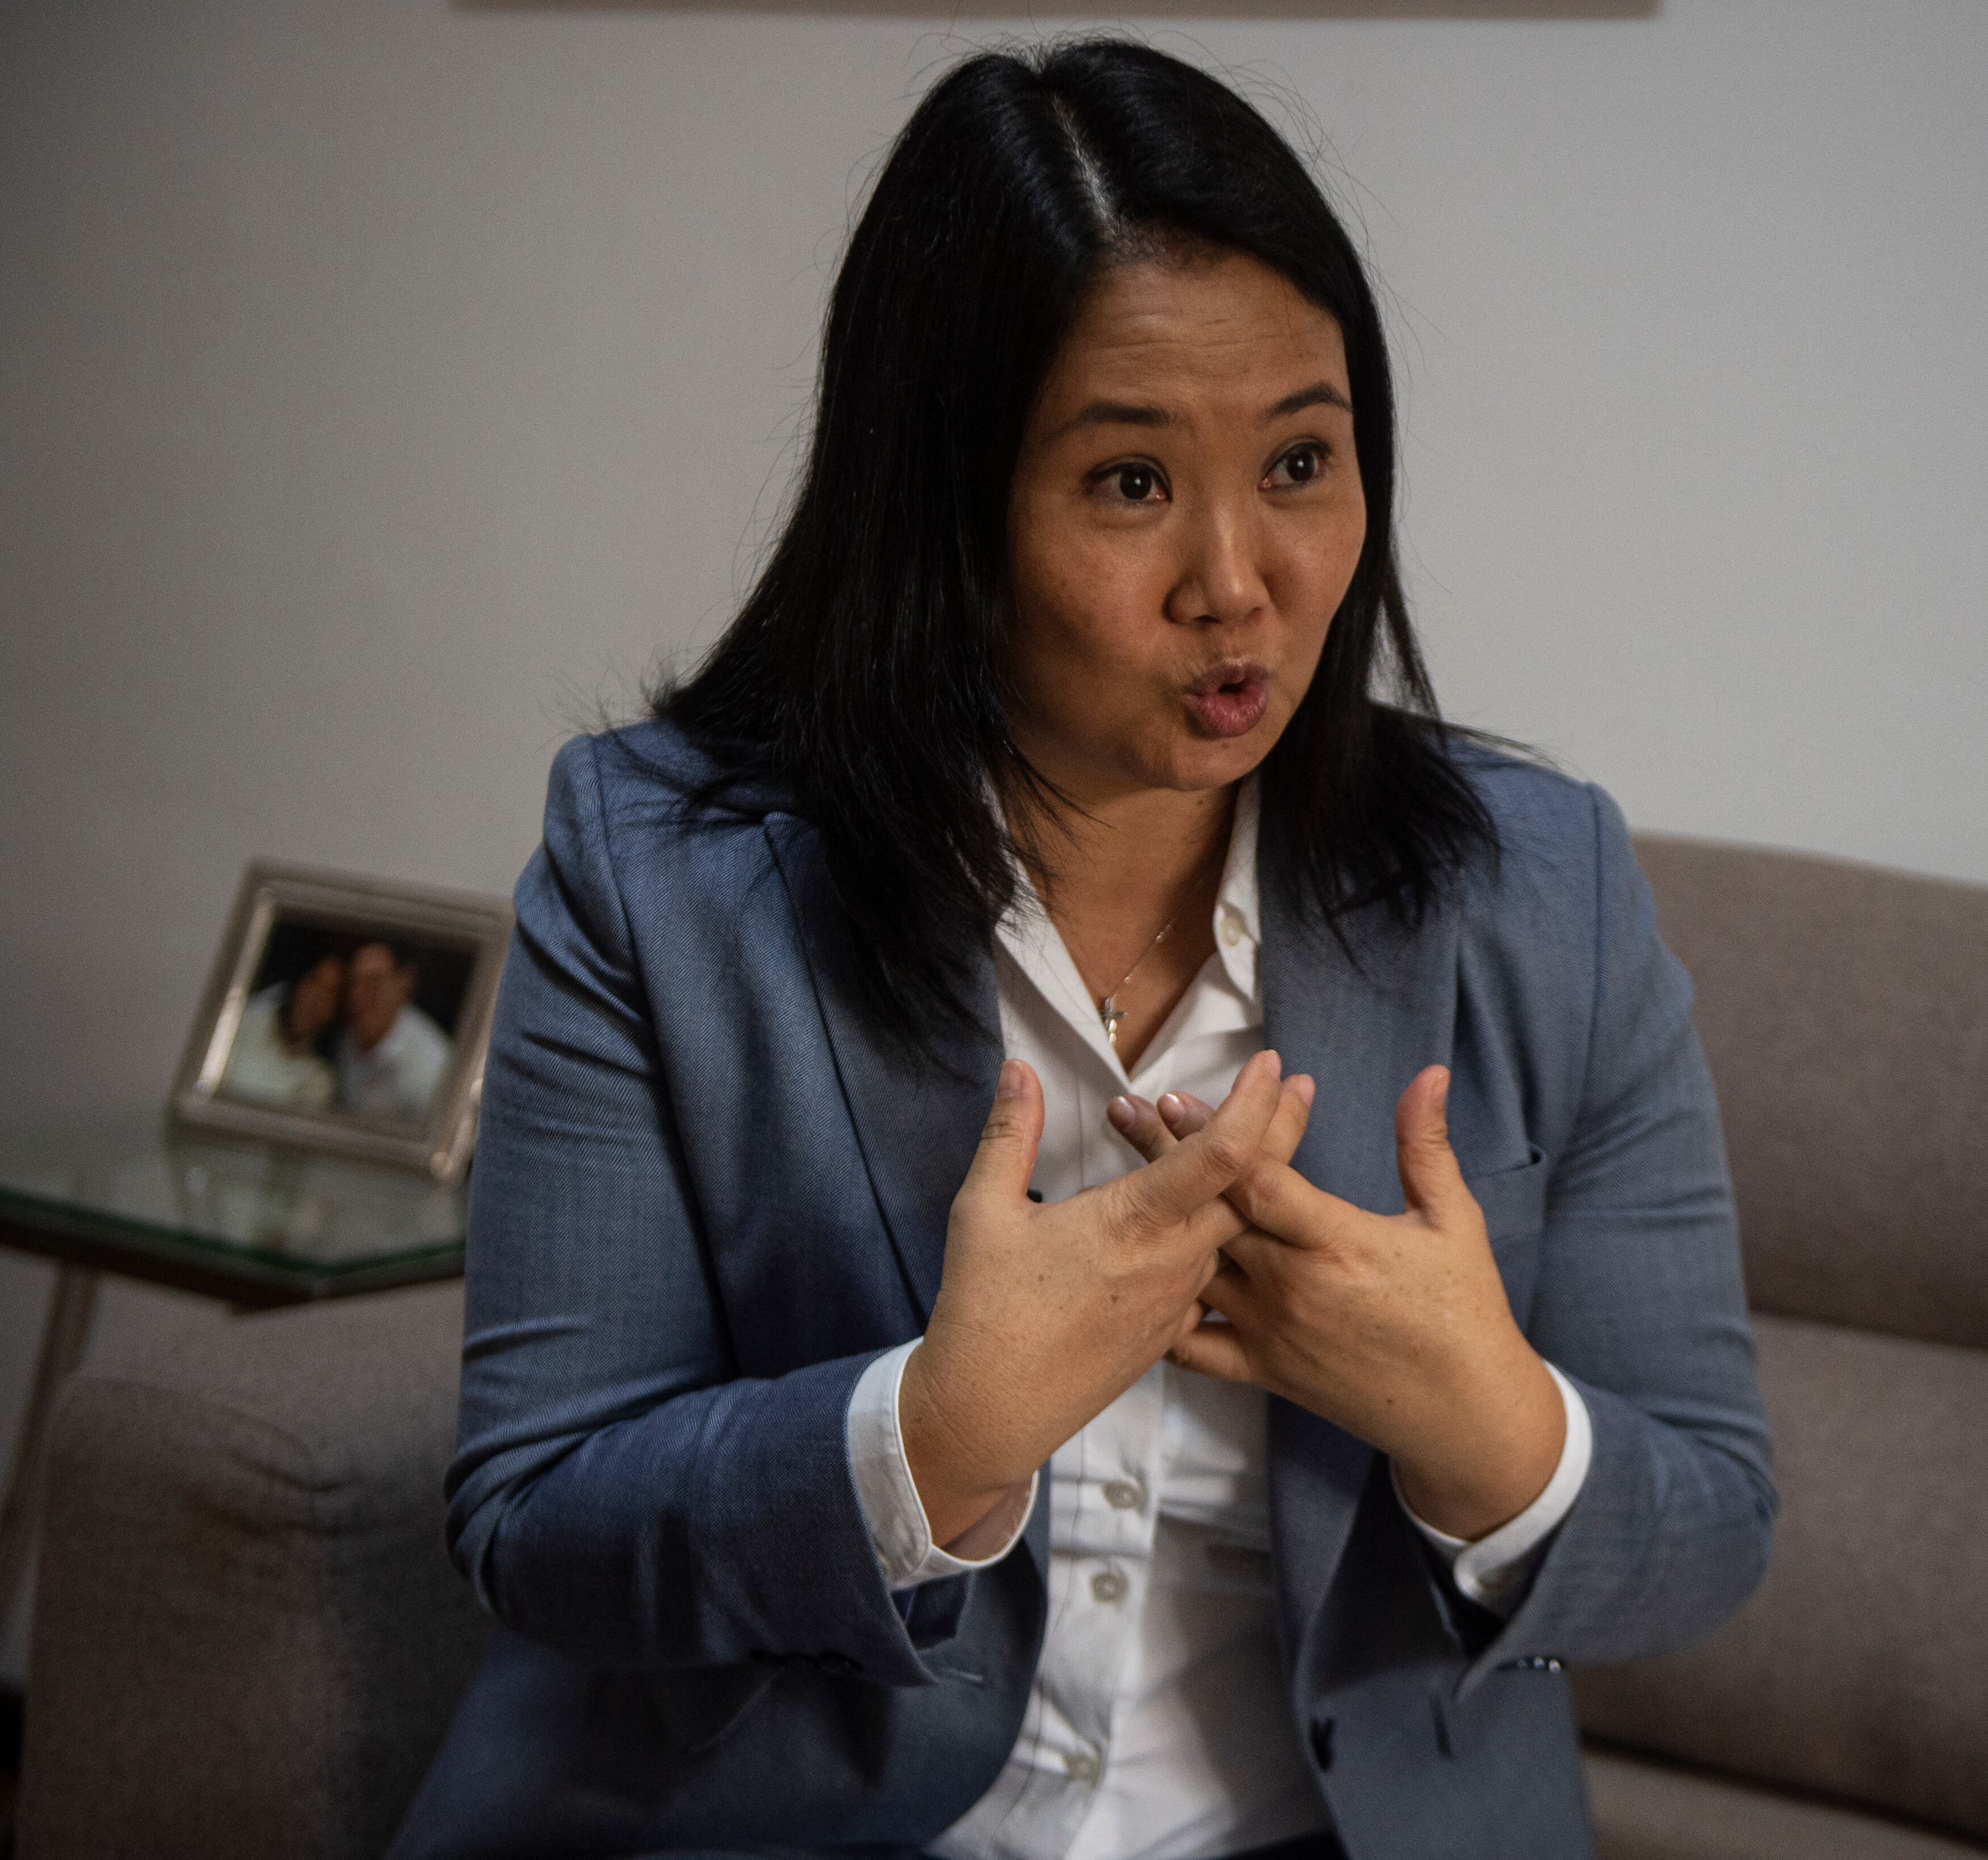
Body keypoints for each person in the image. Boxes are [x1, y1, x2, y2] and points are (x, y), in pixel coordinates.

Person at [392, 40, 1773, 1860]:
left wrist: (1486, 1419)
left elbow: (1712, 1521)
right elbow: (539, 1517)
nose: (1239, 579)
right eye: (1129, 486)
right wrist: (924, 1432)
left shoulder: (1543, 890)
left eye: (1300, 460)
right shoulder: (655, 877)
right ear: (944, 510)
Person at [335, 938, 452, 1124]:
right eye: (352, 984)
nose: (356, 998)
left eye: (373, 983)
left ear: (404, 982)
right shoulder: (348, 1035)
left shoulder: (432, 1071)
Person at [219, 948, 343, 1114]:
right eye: (315, 981)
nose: (315, 998)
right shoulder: (252, 1018)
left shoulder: (320, 1080)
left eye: (329, 994)